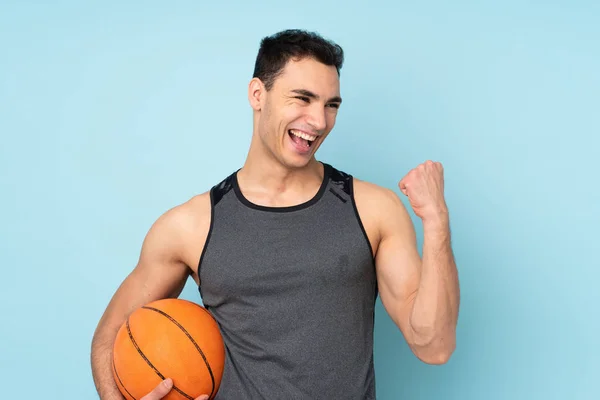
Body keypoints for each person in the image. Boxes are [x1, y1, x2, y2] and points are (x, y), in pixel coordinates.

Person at [90, 29, 460, 400]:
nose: (318, 120)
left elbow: (434, 345)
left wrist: (437, 223)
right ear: (257, 95)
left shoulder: (372, 209)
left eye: (332, 105)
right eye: (303, 98)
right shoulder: (191, 225)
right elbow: (109, 338)